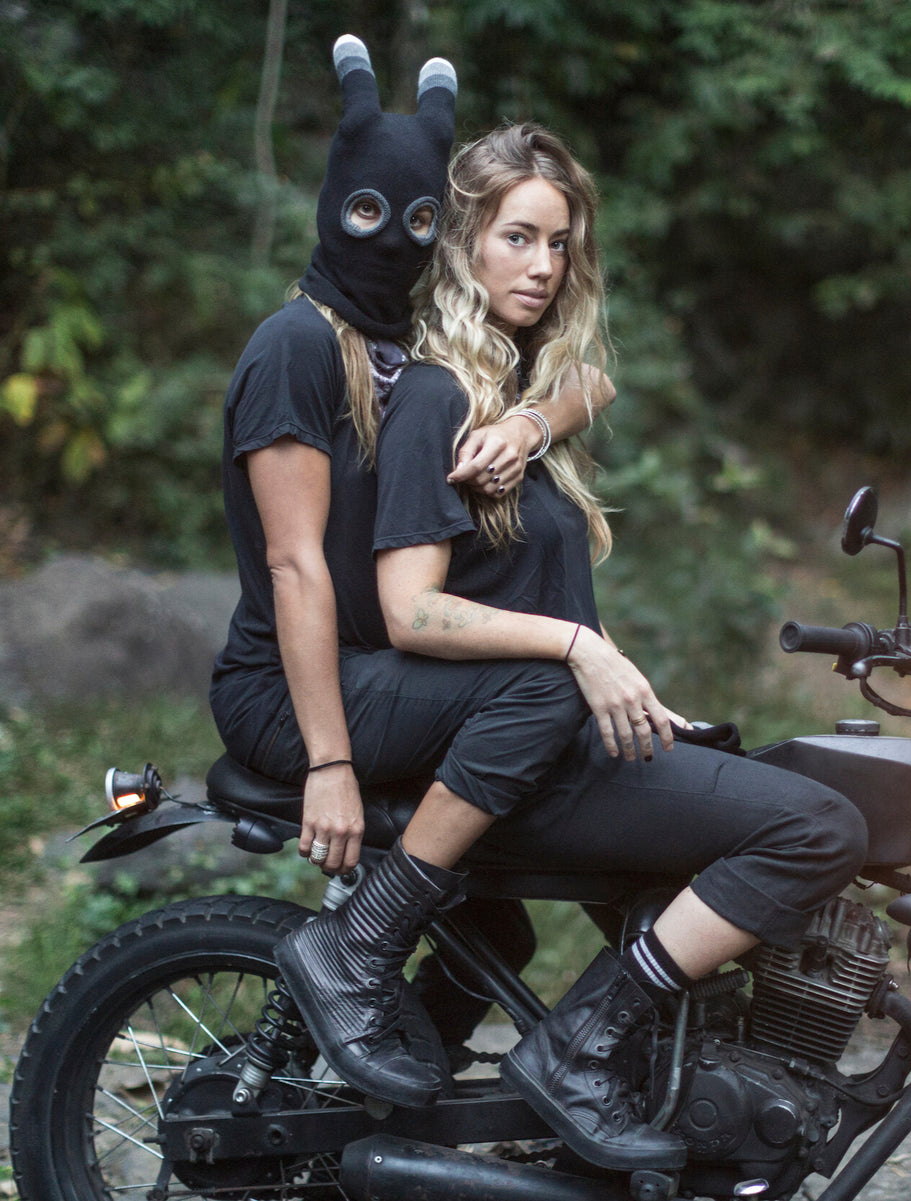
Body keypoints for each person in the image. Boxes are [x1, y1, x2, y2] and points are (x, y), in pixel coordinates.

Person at [355, 123, 871, 1172]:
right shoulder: (434, 400)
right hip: (518, 758)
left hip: (559, 740)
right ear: (462, 244)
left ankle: (693, 1089)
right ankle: (579, 1046)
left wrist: (536, 427)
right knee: (820, 826)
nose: (544, 265)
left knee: (759, 774)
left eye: (559, 243)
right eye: (517, 238)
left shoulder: (513, 386)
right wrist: (581, 650)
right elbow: (409, 610)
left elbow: (593, 378)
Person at [209, 39, 612, 1107]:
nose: (392, 243)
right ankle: (356, 952)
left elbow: (588, 376)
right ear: (337, 207)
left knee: (500, 922)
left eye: (417, 225)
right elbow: (297, 568)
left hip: (372, 661)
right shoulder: (298, 347)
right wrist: (330, 763)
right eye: (368, 218)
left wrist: (530, 420)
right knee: (541, 680)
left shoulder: (400, 345)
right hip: (294, 689)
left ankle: (392, 1113)